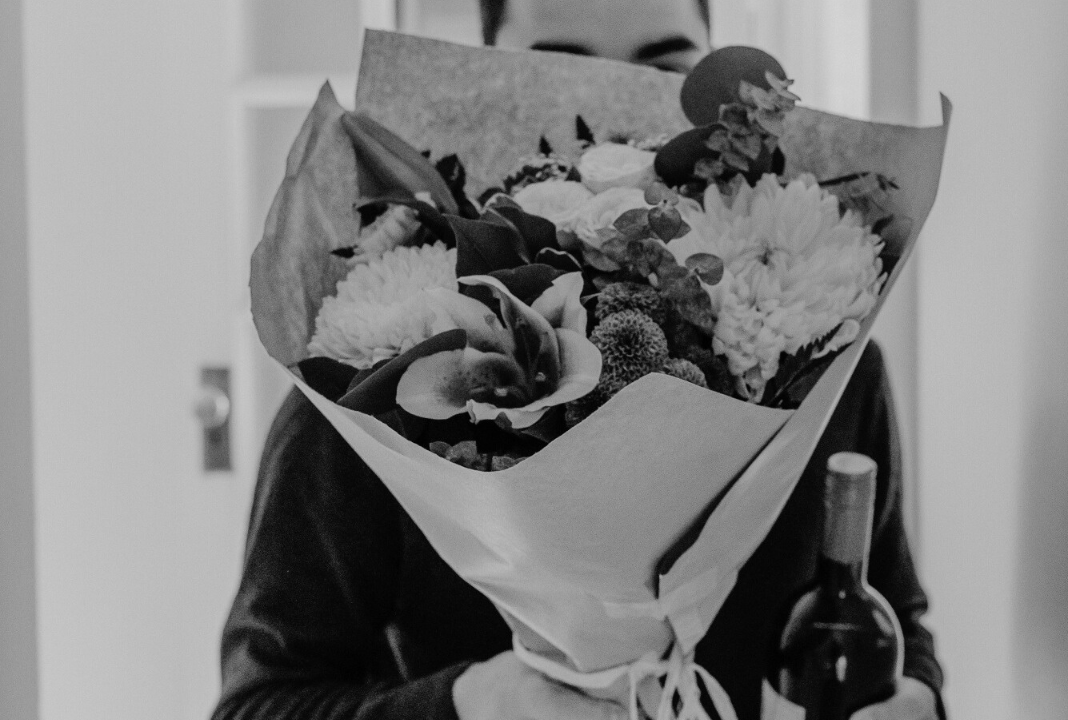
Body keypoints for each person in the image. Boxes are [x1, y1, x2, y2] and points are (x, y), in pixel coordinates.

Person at [213, 2, 945, 720]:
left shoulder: (833, 368)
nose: (617, 117)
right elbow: (260, 700)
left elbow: (895, 618)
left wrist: (918, 698)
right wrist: (467, 706)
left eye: (666, 69)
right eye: (561, 66)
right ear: (490, 78)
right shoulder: (376, 385)